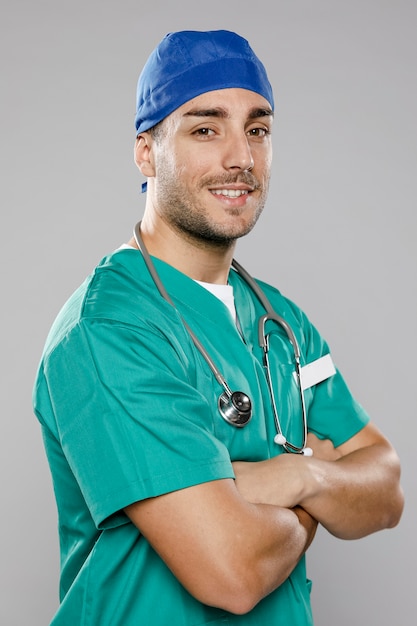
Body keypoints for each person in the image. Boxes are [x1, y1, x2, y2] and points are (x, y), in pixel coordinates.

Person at [33, 30, 404, 625]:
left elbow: (385, 490)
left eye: (257, 129)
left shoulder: (279, 321)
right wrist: (323, 491)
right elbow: (233, 573)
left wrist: (291, 476)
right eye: (206, 129)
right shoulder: (108, 331)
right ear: (146, 152)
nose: (242, 157)